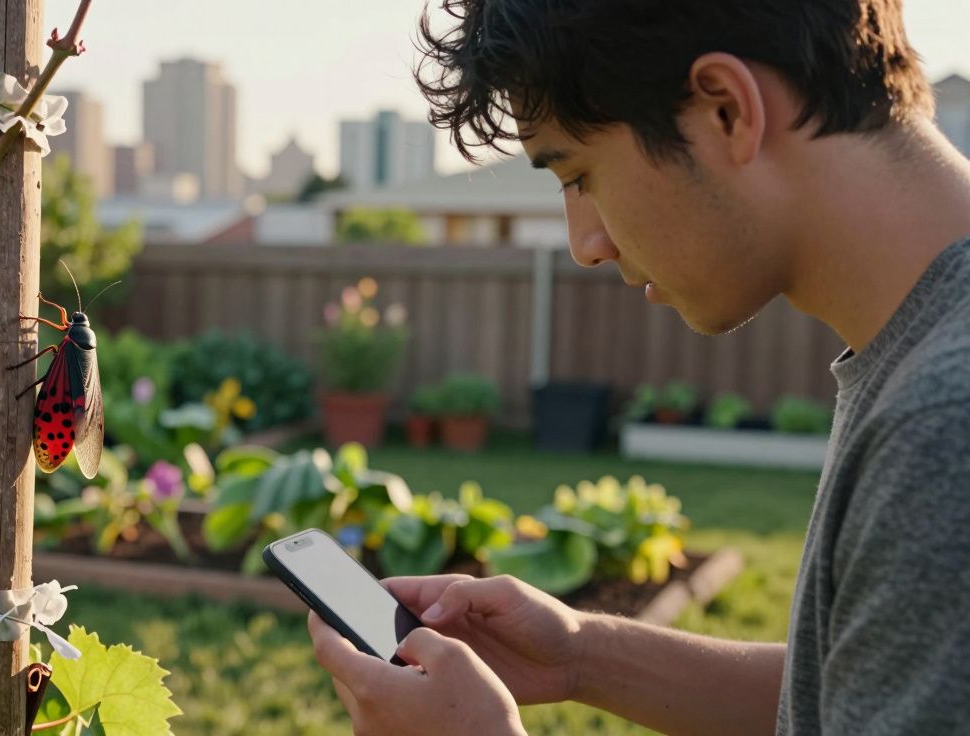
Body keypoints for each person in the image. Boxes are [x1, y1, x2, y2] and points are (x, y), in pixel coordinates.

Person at [308, 1, 970, 734]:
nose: (584, 244)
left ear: (726, 112)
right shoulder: (925, 361)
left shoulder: (944, 424)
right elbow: (851, 688)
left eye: (579, 175)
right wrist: (583, 656)